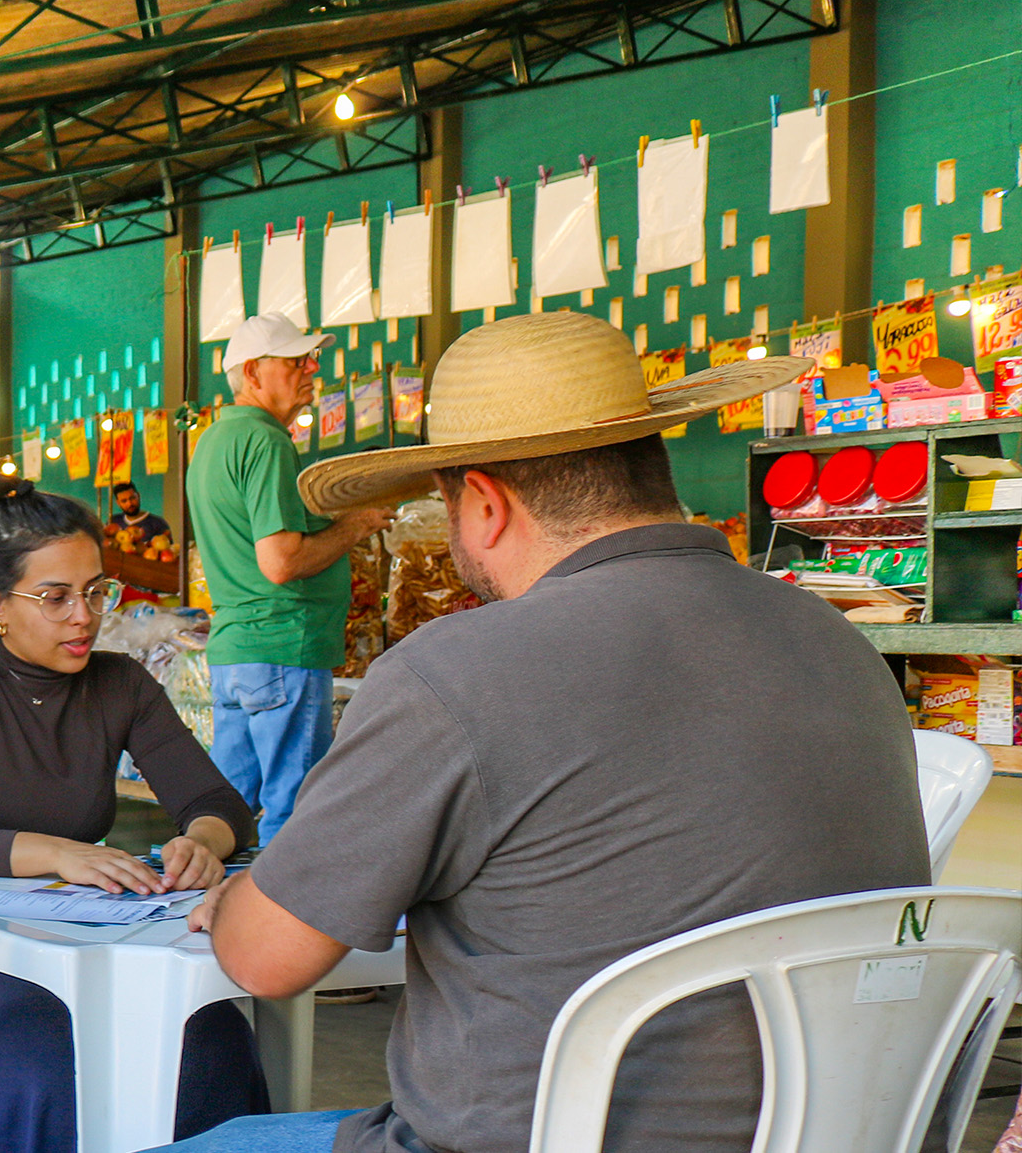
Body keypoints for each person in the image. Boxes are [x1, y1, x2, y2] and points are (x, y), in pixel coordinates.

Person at [144, 313, 931, 1153]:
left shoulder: (456, 671)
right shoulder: (837, 640)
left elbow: (268, 960)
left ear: (483, 502)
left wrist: (238, 898)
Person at [0, 475, 266, 1153]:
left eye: (95, 591)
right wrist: (57, 852)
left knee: (213, 1041)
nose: (83, 616)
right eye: (55, 597)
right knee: (54, 1062)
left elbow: (220, 804)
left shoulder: (119, 684)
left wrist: (203, 840)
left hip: (78, 943)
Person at [185, 313, 389, 841]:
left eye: (310, 359)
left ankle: (203, 908)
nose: (312, 369)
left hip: (235, 653)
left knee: (222, 810)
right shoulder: (267, 441)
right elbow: (280, 562)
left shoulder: (211, 442)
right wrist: (357, 524)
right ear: (252, 372)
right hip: (282, 646)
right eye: (295, 361)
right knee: (294, 813)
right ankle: (282, 921)